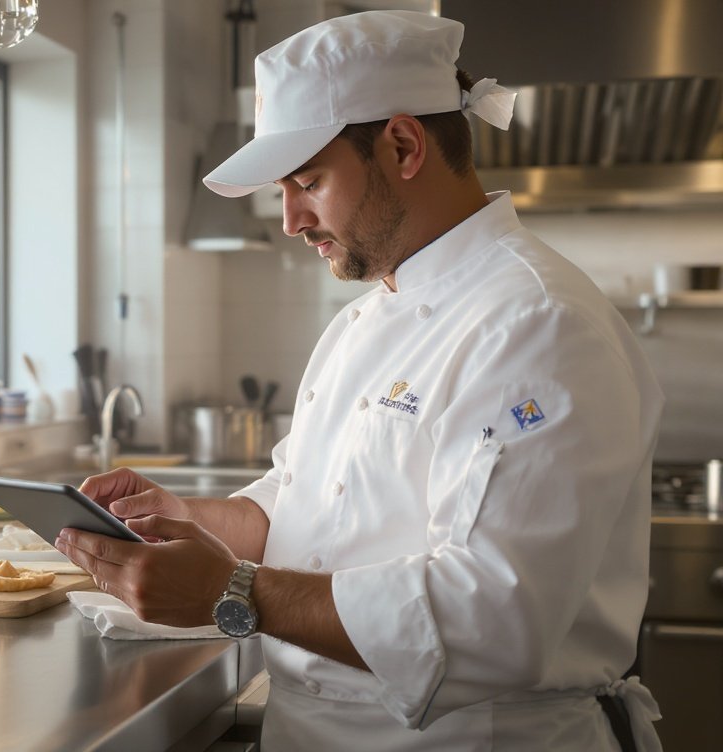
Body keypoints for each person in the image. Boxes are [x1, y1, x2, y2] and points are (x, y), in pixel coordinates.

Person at [53, 10, 664, 752]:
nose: (289, 219)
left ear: (403, 145)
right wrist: (184, 520)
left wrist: (230, 590)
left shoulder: (537, 324)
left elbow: (494, 622)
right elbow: (306, 507)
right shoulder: (360, 323)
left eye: (308, 181)